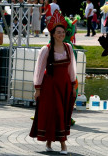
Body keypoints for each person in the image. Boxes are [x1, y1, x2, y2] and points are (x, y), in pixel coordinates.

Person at [30, 10, 76, 155]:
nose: (61, 34)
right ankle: (63, 146)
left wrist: (74, 85)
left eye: (63, 32)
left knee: (61, 113)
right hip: (50, 87)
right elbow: (39, 69)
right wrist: (37, 88)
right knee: (54, 113)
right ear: (53, 34)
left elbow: (72, 68)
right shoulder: (46, 50)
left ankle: (50, 142)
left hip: (64, 86)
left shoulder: (68, 48)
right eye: (58, 32)